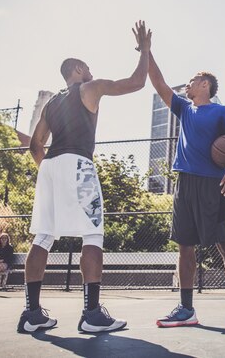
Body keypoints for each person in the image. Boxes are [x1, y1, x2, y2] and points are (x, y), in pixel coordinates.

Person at [17, 21, 152, 334]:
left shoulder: (51, 104)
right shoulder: (90, 88)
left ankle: (31, 314)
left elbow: (36, 144)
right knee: (92, 236)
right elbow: (136, 82)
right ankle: (91, 314)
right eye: (87, 66)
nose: (91, 69)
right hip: (78, 165)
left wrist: (51, 172)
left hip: (50, 166)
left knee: (43, 237)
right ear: (78, 69)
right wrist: (144, 50)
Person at [147, 45, 225, 329]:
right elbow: (158, 83)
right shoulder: (184, 108)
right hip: (185, 183)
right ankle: (186, 309)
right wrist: (147, 51)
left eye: (193, 79)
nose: (188, 83)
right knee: (185, 247)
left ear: (205, 84)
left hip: (214, 185)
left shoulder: (221, 112)